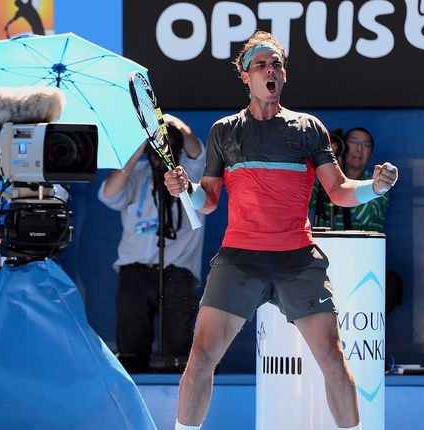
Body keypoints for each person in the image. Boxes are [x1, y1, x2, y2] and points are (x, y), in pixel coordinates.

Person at [164, 31, 398, 430]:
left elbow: (339, 191)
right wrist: (186, 190)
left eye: (277, 64)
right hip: (240, 258)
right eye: (261, 64)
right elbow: (209, 201)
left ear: (283, 75)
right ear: (245, 77)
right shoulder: (224, 131)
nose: (271, 70)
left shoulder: (309, 128)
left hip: (297, 259)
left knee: (333, 360)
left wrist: (374, 188)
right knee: (201, 358)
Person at [97, 114, 205, 373]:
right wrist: (139, 146)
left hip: (178, 272)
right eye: (155, 147)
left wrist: (172, 125)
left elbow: (196, 150)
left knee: (178, 353)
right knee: (131, 351)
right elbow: (108, 195)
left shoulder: (190, 174)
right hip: (134, 273)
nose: (160, 151)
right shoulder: (137, 175)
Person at [310, 127, 389, 232]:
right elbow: (305, 200)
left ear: (371, 155)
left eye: (366, 145)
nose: (359, 149)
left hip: (362, 248)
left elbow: (367, 215)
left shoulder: (377, 182)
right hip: (328, 247)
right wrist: (321, 157)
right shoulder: (326, 179)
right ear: (342, 148)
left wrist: (342, 183)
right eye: (353, 142)